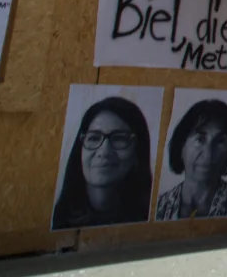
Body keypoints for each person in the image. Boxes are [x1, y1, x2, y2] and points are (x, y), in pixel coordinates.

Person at [53, 96, 154, 230]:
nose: (104, 151)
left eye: (119, 138)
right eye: (94, 138)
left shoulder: (150, 218)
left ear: (138, 153)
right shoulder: (57, 219)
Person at [156, 98, 227, 220]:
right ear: (181, 146)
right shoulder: (159, 206)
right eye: (200, 140)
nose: (208, 154)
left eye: (219, 141)